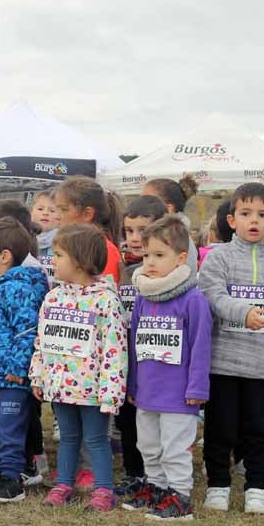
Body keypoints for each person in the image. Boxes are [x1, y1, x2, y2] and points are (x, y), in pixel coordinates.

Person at [198, 183, 264, 516]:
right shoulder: (217, 259)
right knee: (219, 429)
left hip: (260, 368)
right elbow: (213, 297)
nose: (254, 220)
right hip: (221, 364)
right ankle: (218, 487)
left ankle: (257, 488)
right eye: (246, 213)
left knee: (259, 431)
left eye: (262, 215)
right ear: (232, 219)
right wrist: (244, 312)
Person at [31, 224, 126, 512]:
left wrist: (112, 392)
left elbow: (115, 349)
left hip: (93, 388)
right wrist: (38, 375)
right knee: (68, 438)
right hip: (60, 384)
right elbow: (42, 341)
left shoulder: (106, 300)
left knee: (97, 439)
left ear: (80, 260)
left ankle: (104, 489)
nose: (53, 260)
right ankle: (63, 484)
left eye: (58, 254)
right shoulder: (53, 297)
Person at [124, 217, 211, 519]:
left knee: (174, 448)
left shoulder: (194, 299)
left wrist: (197, 388)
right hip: (147, 391)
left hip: (178, 394)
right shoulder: (143, 297)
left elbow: (201, 346)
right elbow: (135, 345)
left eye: (159, 256)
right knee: (148, 444)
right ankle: (157, 488)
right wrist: (132, 384)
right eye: (146, 255)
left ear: (181, 258)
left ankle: (180, 497)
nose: (149, 262)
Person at [0, 217, 49, 503]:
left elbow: (27, 330)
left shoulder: (18, 289)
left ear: (4, 256)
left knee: (8, 427)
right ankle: (2, 469)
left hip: (10, 377)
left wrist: (18, 368)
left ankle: (12, 478)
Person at [113, 194, 168, 496]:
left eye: (142, 230)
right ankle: (135, 474)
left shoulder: (169, 270)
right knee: (128, 419)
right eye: (129, 230)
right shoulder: (124, 268)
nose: (135, 238)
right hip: (127, 358)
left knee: (157, 420)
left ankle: (159, 476)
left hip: (157, 357)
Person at [53, 177, 123, 286]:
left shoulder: (104, 249)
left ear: (87, 214)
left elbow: (106, 292)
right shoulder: (72, 245)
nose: (57, 216)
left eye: (64, 209)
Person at [142, 176, 201, 273]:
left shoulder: (178, 239)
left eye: (148, 201)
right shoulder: (157, 235)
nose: (141, 205)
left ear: (168, 209)